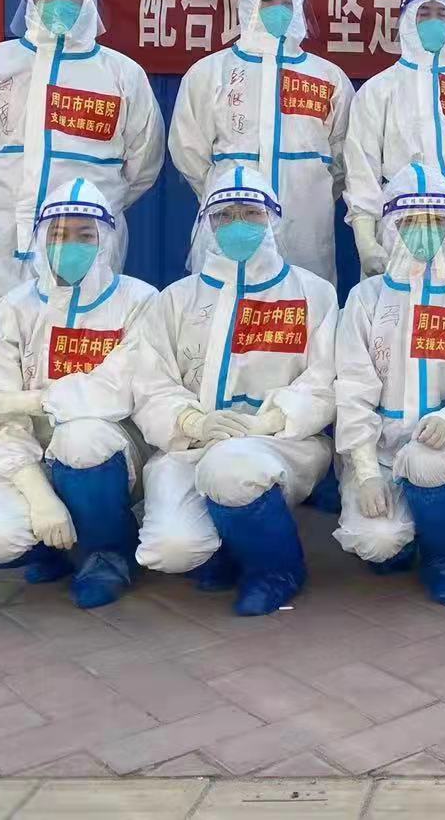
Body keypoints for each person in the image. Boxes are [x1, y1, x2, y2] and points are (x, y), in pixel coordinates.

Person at [0, 0, 164, 567]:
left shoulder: (120, 75)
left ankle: (72, 509)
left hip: (85, 248)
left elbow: (142, 167)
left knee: (79, 366)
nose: (59, 3)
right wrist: (1, 215)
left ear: (90, 1)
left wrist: (85, 221)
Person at [131, 167, 338, 616]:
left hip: (279, 443)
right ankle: (224, 547)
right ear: (207, 222)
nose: (238, 224)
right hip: (190, 444)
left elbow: (323, 380)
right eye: (225, 215)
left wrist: (270, 420)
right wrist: (192, 421)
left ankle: (276, 570)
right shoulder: (176, 299)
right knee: (171, 550)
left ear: (273, 219)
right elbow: (151, 382)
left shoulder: (312, 294)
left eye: (251, 213)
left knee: (232, 471)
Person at [0, 179, 157, 610]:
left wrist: (25, 401)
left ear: (106, 239)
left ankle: (107, 556)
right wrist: (38, 494)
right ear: (39, 239)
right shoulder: (11, 310)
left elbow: (119, 386)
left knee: (81, 436)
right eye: (58, 234)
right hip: (28, 452)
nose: (70, 246)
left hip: (107, 450)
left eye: (85, 235)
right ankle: (54, 548)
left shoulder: (139, 302)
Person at [333, 163, 445, 605]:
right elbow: (353, 390)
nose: (425, 231)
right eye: (412, 220)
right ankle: (406, 535)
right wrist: (367, 472)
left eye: (436, 221)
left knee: (428, 461)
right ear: (391, 224)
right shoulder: (365, 299)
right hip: (380, 443)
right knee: (378, 543)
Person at [170, 0, 354, 283]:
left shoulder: (328, 77)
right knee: (224, 298)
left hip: (306, 221)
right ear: (249, 5)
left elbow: (343, 155)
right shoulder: (210, 72)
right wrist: (222, 185)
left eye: (287, 2)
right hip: (231, 215)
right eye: (268, 0)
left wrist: (312, 187)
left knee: (302, 300)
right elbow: (188, 150)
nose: (278, 9)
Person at [345, 0, 445, 279]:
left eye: (442, 14)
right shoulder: (379, 89)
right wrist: (366, 240)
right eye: (423, 13)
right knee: (400, 300)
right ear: (406, 22)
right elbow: (362, 169)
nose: (433, 21)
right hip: (401, 214)